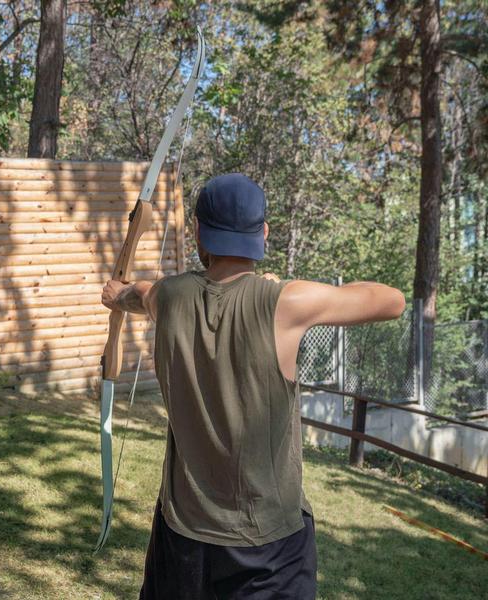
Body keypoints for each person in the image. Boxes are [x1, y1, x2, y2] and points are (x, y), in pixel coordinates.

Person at [101, 173, 406, 599]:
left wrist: (117, 294)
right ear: (263, 233)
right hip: (268, 547)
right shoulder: (285, 302)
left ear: (198, 232)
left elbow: (138, 292)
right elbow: (392, 300)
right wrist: (290, 290)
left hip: (183, 534)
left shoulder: (170, 297)